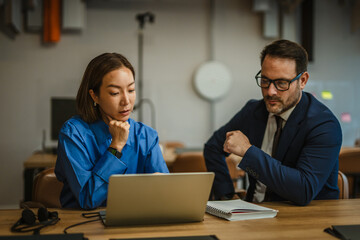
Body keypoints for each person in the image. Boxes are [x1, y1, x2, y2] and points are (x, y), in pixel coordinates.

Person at [204, 39, 342, 206]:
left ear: (303, 80)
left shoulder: (323, 124)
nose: (270, 91)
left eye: (281, 83)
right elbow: (213, 147)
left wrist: (248, 151)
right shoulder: (254, 111)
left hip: (304, 219)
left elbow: (303, 190)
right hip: (253, 212)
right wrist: (226, 195)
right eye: (265, 80)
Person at [55, 53, 169, 209]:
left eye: (131, 90)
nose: (126, 101)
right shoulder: (73, 133)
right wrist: (116, 147)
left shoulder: (146, 136)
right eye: (115, 93)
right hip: (82, 223)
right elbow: (89, 198)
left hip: (134, 222)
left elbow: (165, 194)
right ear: (94, 96)